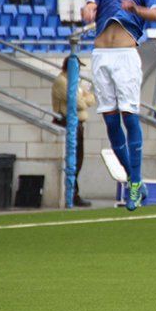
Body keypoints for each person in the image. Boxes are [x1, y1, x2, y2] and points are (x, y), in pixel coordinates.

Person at [80, 0, 156, 211]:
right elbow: (90, 2)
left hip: (126, 56)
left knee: (129, 116)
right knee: (110, 121)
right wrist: (89, 9)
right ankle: (134, 179)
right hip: (101, 56)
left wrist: (135, 9)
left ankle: (135, 184)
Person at [51, 57, 95, 207]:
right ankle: (71, 194)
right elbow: (79, 103)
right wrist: (84, 99)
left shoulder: (74, 83)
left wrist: (85, 99)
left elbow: (90, 98)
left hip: (78, 124)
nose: (79, 71)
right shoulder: (62, 82)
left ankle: (73, 192)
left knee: (78, 160)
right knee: (72, 160)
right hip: (67, 123)